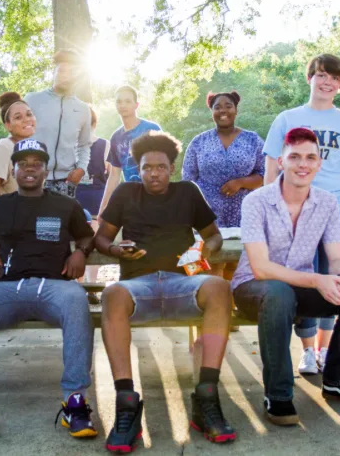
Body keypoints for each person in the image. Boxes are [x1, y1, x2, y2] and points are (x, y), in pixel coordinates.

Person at [95, 131, 236, 452]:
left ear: (171, 168)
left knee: (218, 287)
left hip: (182, 282)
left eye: (160, 167)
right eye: (146, 167)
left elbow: (214, 236)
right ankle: (126, 404)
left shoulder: (187, 192)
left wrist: (202, 252)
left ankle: (206, 398)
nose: (153, 173)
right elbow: (102, 238)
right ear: (138, 168)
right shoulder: (126, 193)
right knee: (112, 293)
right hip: (138, 285)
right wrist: (117, 251)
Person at [233, 127, 340, 426]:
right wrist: (318, 280)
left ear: (319, 163)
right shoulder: (256, 202)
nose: (303, 164)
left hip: (298, 287)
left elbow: (337, 257)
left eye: (310, 157)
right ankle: (278, 394)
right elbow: (261, 268)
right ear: (281, 161)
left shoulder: (326, 202)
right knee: (278, 292)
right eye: (295, 157)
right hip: (254, 289)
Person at [0, 138, 97, 442]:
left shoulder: (66, 205)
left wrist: (80, 252)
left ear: (45, 169)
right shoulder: (0, 206)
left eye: (37, 163)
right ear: (13, 169)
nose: (30, 168)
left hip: (54, 286)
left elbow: (87, 236)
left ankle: (75, 401)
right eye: (23, 163)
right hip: (10, 286)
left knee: (76, 300)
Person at [263, 54, 340, 375]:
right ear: (310, 77)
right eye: (322, 75)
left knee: (335, 280)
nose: (327, 82)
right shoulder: (287, 118)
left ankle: (325, 349)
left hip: (337, 211)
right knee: (303, 279)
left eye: (335, 79)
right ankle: (308, 351)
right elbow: (272, 165)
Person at [182, 90, 264, 289]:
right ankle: (211, 310)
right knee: (209, 267)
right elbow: (188, 180)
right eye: (217, 107)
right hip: (208, 218)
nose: (223, 111)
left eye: (228, 105)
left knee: (236, 267)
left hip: (243, 215)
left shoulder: (253, 140)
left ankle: (232, 314)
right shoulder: (199, 142)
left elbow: (266, 174)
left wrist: (241, 182)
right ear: (211, 112)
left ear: (236, 110)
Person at [25, 49, 92, 198]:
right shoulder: (32, 100)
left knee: (63, 222)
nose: (66, 76)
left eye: (71, 73)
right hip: (33, 178)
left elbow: (84, 145)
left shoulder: (83, 109)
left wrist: (81, 169)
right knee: (29, 220)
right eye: (62, 71)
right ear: (54, 72)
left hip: (66, 181)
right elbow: (18, 138)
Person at [98, 85, 161, 216]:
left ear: (136, 105)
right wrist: (103, 208)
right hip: (132, 200)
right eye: (119, 101)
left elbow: (163, 165)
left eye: (128, 101)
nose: (123, 105)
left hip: (155, 197)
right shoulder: (116, 137)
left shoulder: (151, 129)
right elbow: (114, 176)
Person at [0, 92, 36, 225]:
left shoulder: (33, 149)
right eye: (18, 117)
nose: (27, 119)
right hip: (8, 228)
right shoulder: (4, 148)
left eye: (29, 114)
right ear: (8, 125)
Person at [76, 107, 110, 217]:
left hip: (97, 207)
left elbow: (112, 178)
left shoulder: (106, 145)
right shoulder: (68, 146)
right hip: (77, 206)